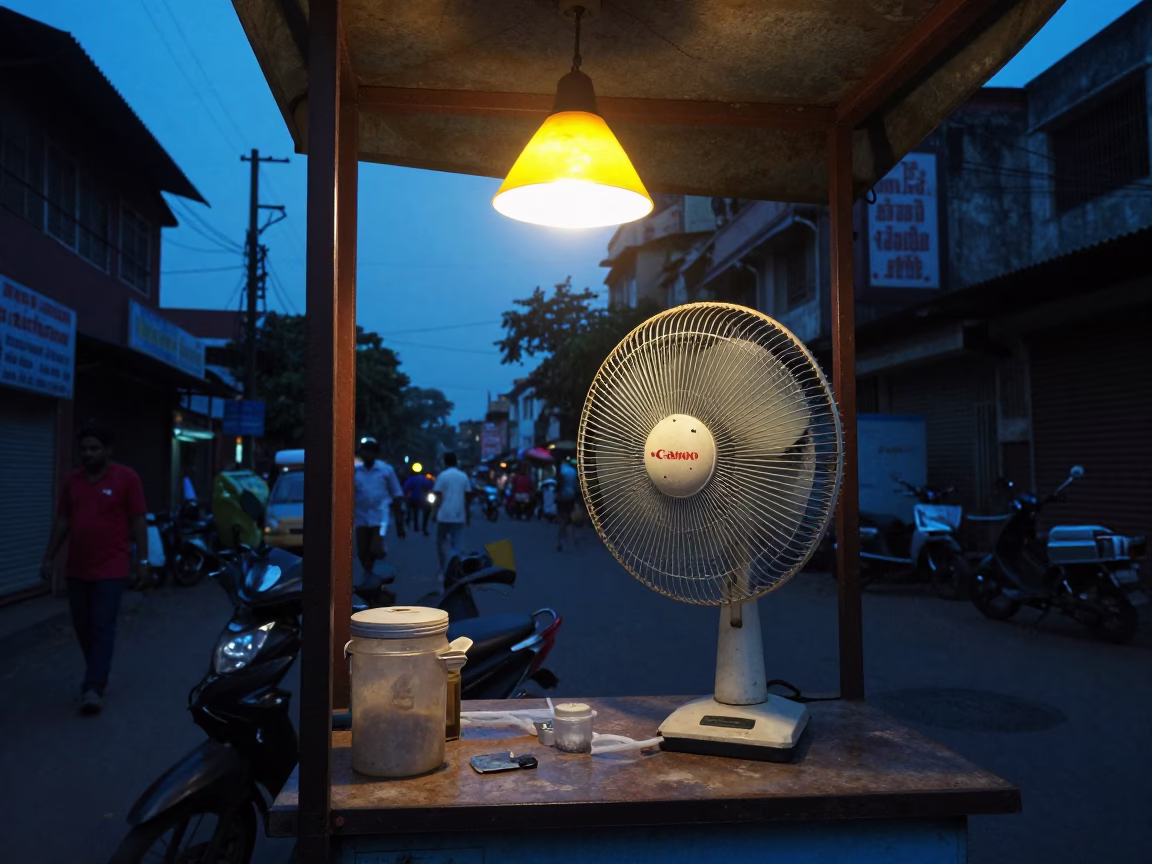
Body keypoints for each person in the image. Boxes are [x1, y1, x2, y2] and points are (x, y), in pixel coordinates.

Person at [41, 422, 149, 715]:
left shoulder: (126, 478)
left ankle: (93, 686)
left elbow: (138, 521)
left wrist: (143, 561)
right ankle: (97, 672)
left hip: (112, 568)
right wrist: (49, 557)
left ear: (108, 451)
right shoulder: (73, 482)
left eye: (94, 449)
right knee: (83, 627)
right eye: (84, 449)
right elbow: (63, 520)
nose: (88, 454)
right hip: (77, 568)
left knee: (102, 625)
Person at [353, 437, 403, 598]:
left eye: (368, 451)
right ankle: (373, 584)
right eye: (363, 451)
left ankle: (378, 583)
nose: (365, 454)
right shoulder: (356, 471)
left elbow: (396, 494)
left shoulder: (386, 470)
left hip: (380, 518)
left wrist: (400, 521)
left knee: (376, 548)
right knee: (362, 552)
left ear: (375, 453)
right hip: (361, 518)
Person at [432, 452, 473, 573]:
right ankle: (454, 569)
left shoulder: (442, 476)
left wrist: (434, 512)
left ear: (445, 462)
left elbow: (438, 496)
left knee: (441, 542)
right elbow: (467, 497)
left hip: (443, 515)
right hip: (459, 515)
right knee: (457, 545)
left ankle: (444, 568)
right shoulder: (463, 476)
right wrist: (468, 514)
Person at [555, 456, 579, 552]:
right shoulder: (573, 471)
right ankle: (572, 540)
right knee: (569, 518)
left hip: (562, 497)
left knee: (562, 519)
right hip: (571, 496)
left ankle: (560, 541)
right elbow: (576, 486)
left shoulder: (561, 471)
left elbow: (558, 486)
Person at [403, 469, 434, 536]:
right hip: (423, 498)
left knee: (414, 511)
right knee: (426, 512)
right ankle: (424, 528)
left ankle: (415, 525)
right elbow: (430, 487)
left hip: (413, 498)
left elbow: (405, 488)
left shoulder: (411, 479)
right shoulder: (424, 479)